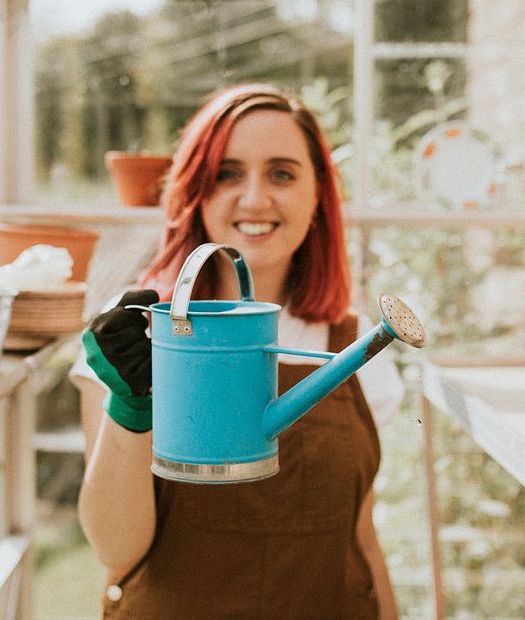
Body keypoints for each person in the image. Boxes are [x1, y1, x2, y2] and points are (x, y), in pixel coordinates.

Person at [73, 82, 403, 618]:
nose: (253, 199)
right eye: (227, 173)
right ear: (194, 190)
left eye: (282, 173)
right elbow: (115, 550)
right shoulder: (133, 334)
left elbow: (361, 537)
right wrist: (131, 403)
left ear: (318, 192)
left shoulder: (354, 343)